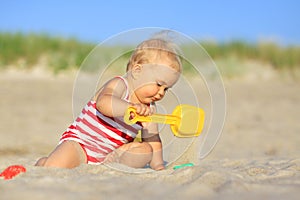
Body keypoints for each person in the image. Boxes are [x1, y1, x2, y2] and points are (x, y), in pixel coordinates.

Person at [35, 37, 182, 170]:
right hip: (81, 145)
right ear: (137, 71)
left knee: (145, 150)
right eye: (158, 84)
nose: (162, 92)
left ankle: (112, 165)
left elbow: (153, 138)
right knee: (54, 167)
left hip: (111, 155)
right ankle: (45, 163)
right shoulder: (120, 85)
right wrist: (129, 108)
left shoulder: (150, 109)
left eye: (166, 88)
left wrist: (158, 165)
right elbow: (104, 104)